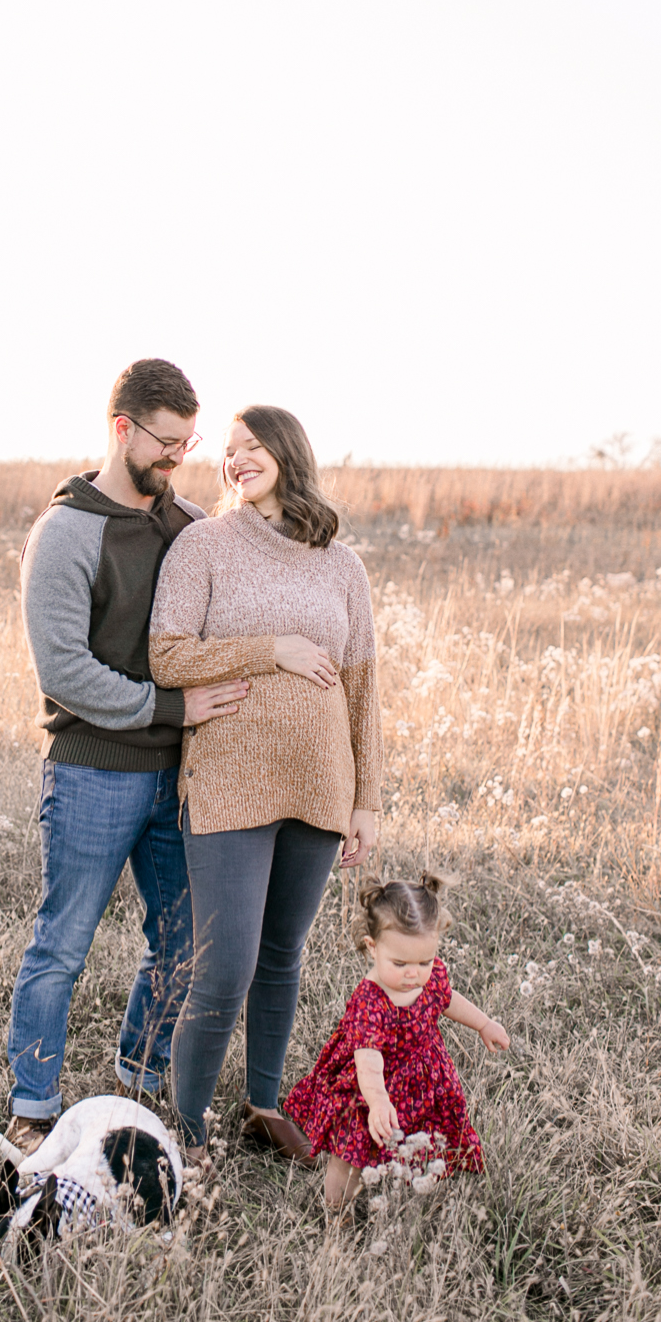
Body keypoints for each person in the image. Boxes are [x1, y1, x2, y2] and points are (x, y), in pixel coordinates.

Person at [3, 359, 250, 1154]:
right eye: (167, 443)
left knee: (182, 937)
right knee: (62, 942)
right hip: (92, 770)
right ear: (122, 429)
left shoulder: (184, 525)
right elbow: (63, 670)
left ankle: (141, 1075)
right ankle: (32, 1102)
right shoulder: (66, 532)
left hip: (179, 776)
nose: (178, 459)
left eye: (189, 443)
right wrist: (167, 708)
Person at [149, 405, 382, 1168]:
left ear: (287, 453)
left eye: (251, 447)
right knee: (224, 964)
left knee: (282, 955)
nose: (235, 459)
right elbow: (166, 658)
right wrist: (271, 650)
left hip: (319, 785)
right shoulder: (202, 546)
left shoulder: (341, 565)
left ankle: (262, 1104)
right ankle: (182, 1129)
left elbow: (360, 688)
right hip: (227, 780)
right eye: (227, 450)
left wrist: (365, 800)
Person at [282, 871, 509, 1213]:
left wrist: (483, 1023)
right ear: (373, 948)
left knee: (430, 1134)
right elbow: (368, 1061)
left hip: (421, 1078)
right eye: (400, 963)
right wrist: (377, 1102)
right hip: (366, 1088)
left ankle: (419, 1193)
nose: (413, 974)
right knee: (349, 1152)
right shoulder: (371, 1001)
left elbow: (447, 999)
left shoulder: (427, 977)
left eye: (424, 961)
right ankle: (336, 1212)